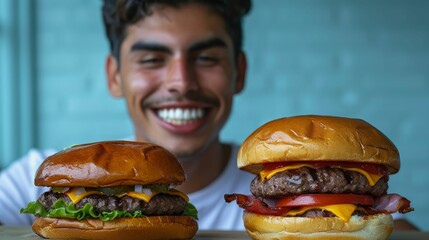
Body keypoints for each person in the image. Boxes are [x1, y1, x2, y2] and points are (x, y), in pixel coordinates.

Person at [0, 0, 418, 231]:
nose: (181, 82)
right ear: (114, 76)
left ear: (239, 71)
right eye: (152, 59)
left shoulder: (261, 190)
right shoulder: (31, 177)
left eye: (205, 57)